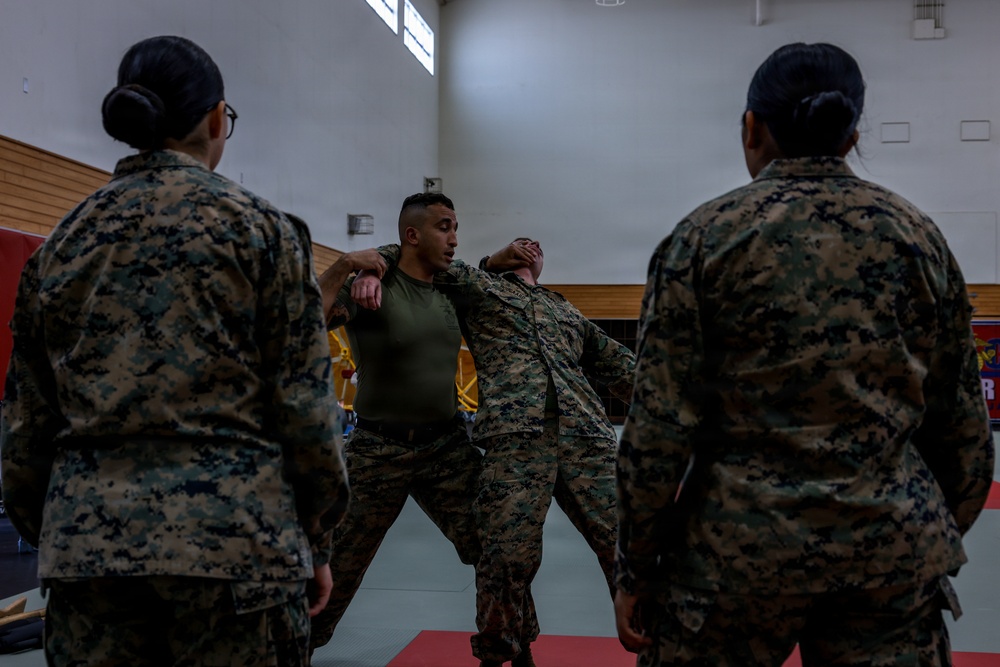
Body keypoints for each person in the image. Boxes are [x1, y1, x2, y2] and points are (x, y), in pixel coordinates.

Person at [614, 42, 996, 666]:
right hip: (886, 556)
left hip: (731, 559)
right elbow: (962, 428)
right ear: (850, 135)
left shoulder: (704, 238)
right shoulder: (917, 237)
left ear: (751, 127)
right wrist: (916, 528)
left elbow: (658, 429)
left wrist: (637, 566)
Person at [0, 35, 349, 666]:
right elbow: (306, 409)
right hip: (237, 547)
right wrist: (316, 540)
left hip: (90, 553)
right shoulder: (261, 231)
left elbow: (25, 423)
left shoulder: (63, 244)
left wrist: (65, 528)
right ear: (218, 119)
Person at [353, 237, 635, 667]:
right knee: (505, 556)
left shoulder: (567, 310)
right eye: (520, 242)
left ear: (543, 264)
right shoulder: (480, 288)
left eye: (537, 244)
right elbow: (418, 249)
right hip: (516, 441)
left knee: (625, 548)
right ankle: (501, 655)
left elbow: (625, 368)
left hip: (586, 438)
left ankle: (656, 646)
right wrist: (375, 266)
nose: (530, 245)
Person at [309, 192, 531, 652]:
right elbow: (303, 322)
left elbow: (479, 275)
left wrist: (496, 259)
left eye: (455, 228)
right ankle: (297, 649)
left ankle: (509, 650)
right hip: (378, 449)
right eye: (443, 227)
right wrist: (347, 265)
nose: (454, 239)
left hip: (446, 448)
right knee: (336, 563)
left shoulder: (452, 287)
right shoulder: (370, 289)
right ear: (412, 234)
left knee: (498, 548)